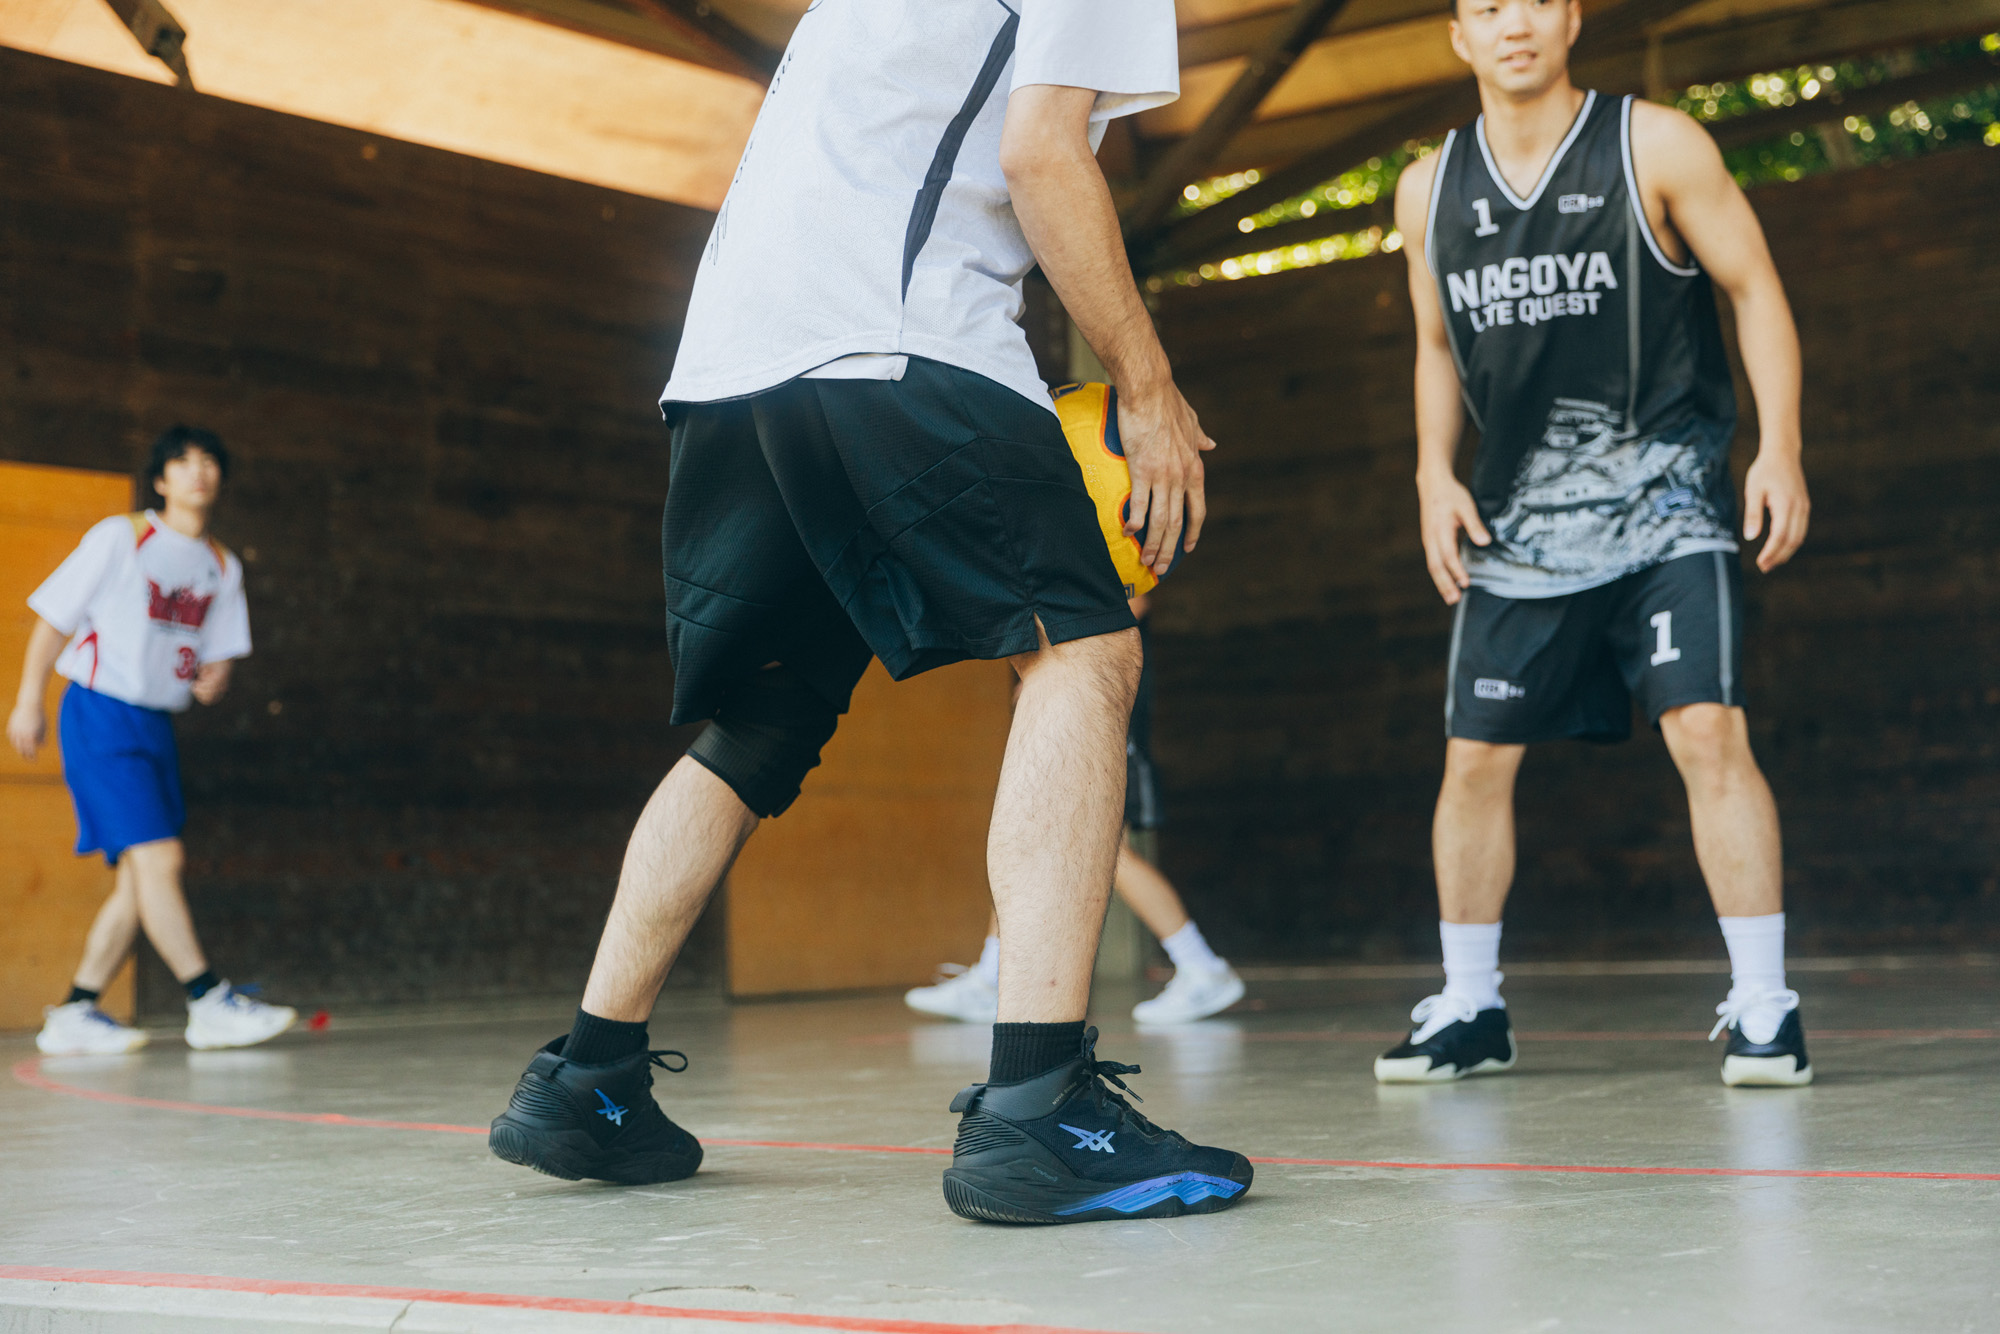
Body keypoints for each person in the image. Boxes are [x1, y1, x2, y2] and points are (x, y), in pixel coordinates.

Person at [487, 0, 1253, 1224]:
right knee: (1084, 651)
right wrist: (1147, 389)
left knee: (760, 720)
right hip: (894, 334)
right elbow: (1041, 154)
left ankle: (589, 1077)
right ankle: (1038, 1105)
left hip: (734, 360)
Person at [1376, 0, 1813, 1088]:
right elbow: (1433, 344)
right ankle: (1470, 1005)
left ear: (1570, 16)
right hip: (1517, 522)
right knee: (1473, 760)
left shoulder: (1654, 144)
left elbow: (1754, 286)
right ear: (1459, 36)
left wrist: (1779, 448)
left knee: (1705, 728)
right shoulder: (1428, 189)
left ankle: (1765, 1005)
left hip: (1668, 504)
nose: (1512, 22)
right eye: (1486, 6)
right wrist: (1432, 471)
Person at [10, 426, 298, 1055]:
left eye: (209, 462)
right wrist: (29, 699)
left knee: (139, 881)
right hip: (99, 713)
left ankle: (76, 1012)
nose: (198, 471)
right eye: (183, 462)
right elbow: (54, 618)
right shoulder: (122, 537)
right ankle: (207, 999)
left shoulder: (221, 565)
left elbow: (218, 657)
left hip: (156, 724)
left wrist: (216, 677)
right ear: (161, 480)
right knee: (160, 860)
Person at [907, 596, 1244, 1026]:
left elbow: (1135, 597)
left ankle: (1201, 966)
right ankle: (991, 979)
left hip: (1097, 693)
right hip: (1075, 688)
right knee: (1030, 833)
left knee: (1107, 847)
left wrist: (1060, 660)